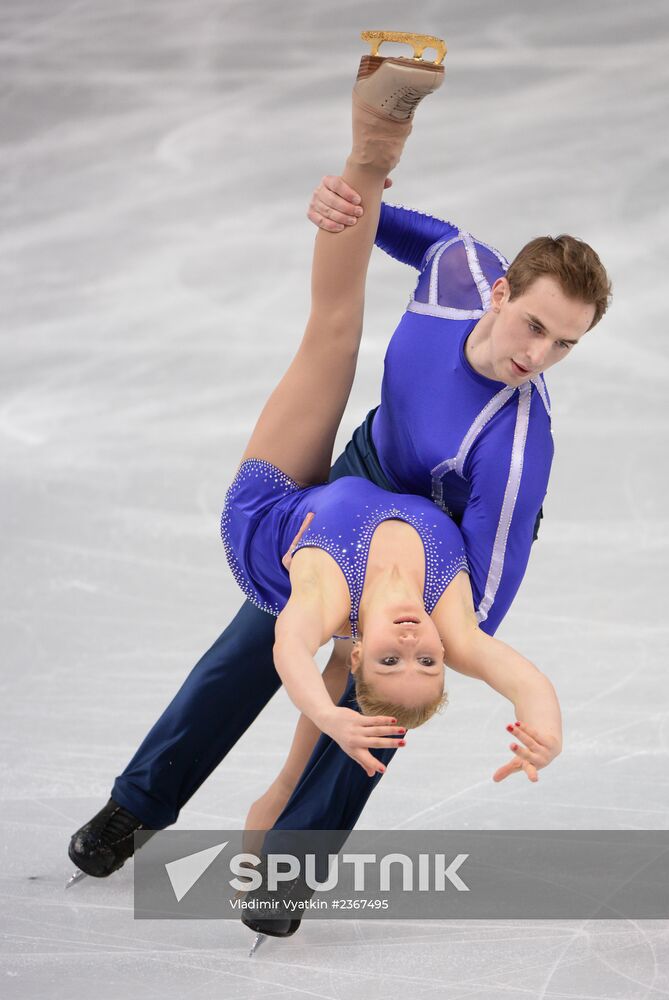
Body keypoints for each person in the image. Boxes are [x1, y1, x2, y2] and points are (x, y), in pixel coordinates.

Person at [67, 32, 611, 903]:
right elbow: (391, 225)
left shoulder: (517, 452)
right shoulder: (458, 269)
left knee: (386, 697)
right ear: (502, 291)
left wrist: (400, 640)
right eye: (534, 326)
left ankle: (292, 864)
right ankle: (139, 805)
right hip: (358, 475)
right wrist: (339, 202)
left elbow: (488, 594)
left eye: (564, 347)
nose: (538, 356)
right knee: (251, 644)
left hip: (441, 541)